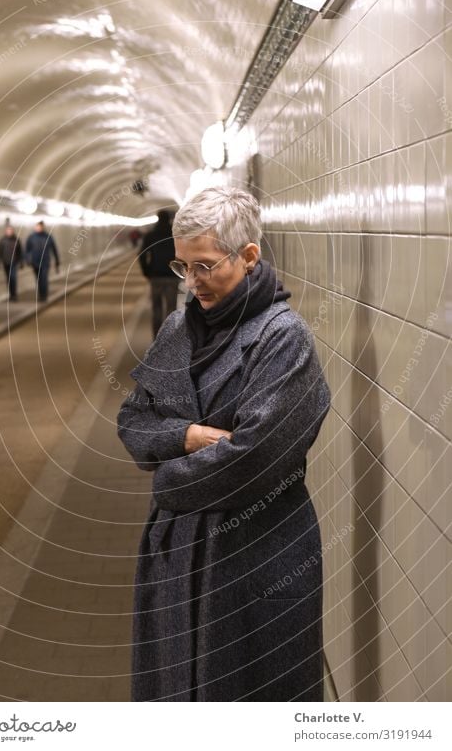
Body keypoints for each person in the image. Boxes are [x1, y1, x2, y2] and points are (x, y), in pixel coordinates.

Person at [117, 185, 331, 702]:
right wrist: (185, 435)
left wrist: (166, 478)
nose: (192, 283)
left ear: (249, 256)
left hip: (254, 553)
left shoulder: (284, 338)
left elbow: (255, 460)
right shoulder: (178, 329)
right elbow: (132, 421)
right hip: (177, 555)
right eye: (182, 268)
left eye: (205, 266)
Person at [139, 209, 180, 338]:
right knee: (171, 308)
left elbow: (142, 255)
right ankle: (169, 338)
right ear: (169, 219)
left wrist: (147, 271)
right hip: (172, 275)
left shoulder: (151, 235)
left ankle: (157, 338)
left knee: (156, 308)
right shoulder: (175, 234)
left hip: (156, 276)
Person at [25, 220, 60, 302]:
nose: (38, 228)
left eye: (40, 227)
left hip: (45, 262)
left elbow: (54, 249)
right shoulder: (31, 237)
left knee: (44, 278)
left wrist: (57, 261)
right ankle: (41, 295)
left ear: (43, 227)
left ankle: (44, 296)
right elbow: (27, 250)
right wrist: (27, 260)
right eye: (37, 227)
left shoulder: (48, 237)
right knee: (38, 279)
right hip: (35, 262)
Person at [0, 225, 24, 301]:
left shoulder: (16, 240)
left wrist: (21, 262)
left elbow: (20, 252)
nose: (9, 232)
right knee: (8, 279)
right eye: (8, 230)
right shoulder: (2, 240)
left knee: (13, 278)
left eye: (10, 230)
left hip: (14, 262)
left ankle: (14, 294)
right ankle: (11, 294)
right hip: (6, 262)